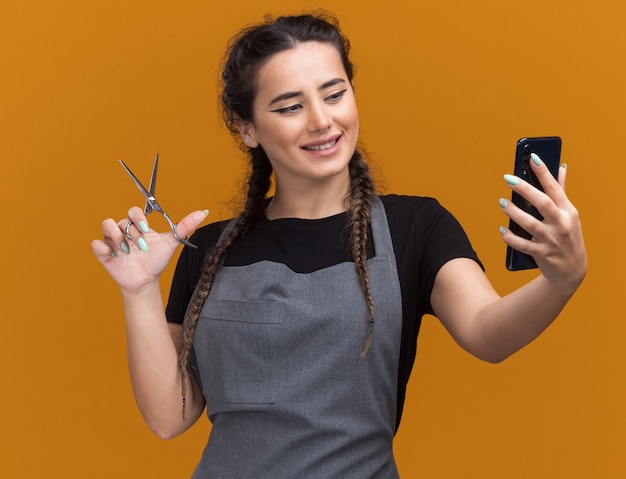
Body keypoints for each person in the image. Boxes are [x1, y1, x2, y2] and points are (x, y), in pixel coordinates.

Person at [91, 12, 587, 479]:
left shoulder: (415, 225)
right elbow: (169, 417)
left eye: (334, 94)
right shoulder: (208, 247)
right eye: (290, 106)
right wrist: (139, 291)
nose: (321, 121)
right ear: (247, 128)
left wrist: (560, 280)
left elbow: (487, 333)